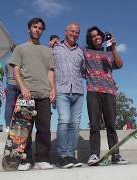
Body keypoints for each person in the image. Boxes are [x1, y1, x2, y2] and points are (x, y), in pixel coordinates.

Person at [9, 17, 56, 171]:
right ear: (29, 29)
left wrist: (53, 89)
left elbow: (50, 71)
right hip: (26, 95)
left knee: (44, 129)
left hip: (44, 94)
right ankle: (25, 159)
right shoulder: (20, 49)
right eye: (35, 27)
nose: (37, 30)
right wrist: (22, 88)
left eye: (40, 28)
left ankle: (43, 158)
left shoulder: (47, 50)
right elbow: (16, 70)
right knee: (24, 130)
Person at [83, 26, 128, 165]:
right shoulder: (84, 51)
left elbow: (119, 65)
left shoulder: (109, 53)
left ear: (102, 37)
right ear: (90, 39)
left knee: (111, 125)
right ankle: (94, 155)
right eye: (93, 36)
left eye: (98, 35)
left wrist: (113, 48)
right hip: (93, 91)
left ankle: (115, 154)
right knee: (95, 125)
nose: (96, 37)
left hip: (109, 92)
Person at [53, 23, 84, 168]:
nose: (74, 34)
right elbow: (50, 69)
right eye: (72, 31)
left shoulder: (81, 51)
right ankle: (62, 155)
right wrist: (51, 89)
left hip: (78, 91)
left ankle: (71, 155)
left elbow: (85, 71)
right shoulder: (55, 49)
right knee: (64, 120)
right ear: (65, 32)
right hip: (61, 90)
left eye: (77, 32)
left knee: (75, 124)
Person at [4, 63, 20, 132]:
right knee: (20, 105)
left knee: (9, 106)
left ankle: (8, 126)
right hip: (20, 84)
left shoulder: (7, 62)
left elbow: (6, 73)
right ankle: (19, 126)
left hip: (10, 84)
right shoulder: (21, 61)